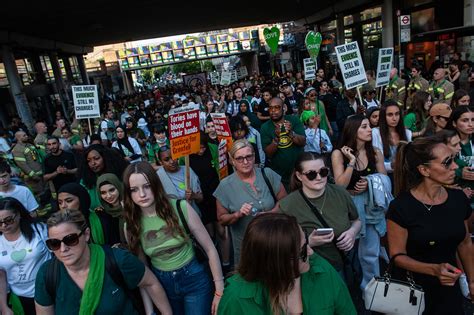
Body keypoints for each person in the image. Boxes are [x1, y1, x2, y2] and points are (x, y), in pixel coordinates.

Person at [123, 162, 224, 315]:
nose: (142, 194)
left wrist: (219, 290)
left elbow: (210, 248)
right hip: (162, 286)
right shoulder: (131, 225)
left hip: (194, 279)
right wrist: (150, 311)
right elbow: (144, 273)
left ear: (156, 185)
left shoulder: (180, 207)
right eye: (134, 190)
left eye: (147, 186)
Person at [387, 136, 473, 314]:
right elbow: (397, 256)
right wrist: (434, 269)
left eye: (453, 160)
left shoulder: (458, 199)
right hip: (411, 291)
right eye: (447, 162)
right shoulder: (401, 207)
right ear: (424, 170)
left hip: (449, 286)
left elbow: (465, 243)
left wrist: (472, 280)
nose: (455, 167)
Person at [34, 209, 172, 315]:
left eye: (70, 239)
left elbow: (150, 283)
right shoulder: (47, 274)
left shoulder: (117, 260)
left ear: (86, 234)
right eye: (54, 243)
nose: (63, 249)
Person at [217, 213, 357, 314]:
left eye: (306, 243)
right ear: (274, 263)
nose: (310, 252)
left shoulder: (321, 270)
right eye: (301, 251)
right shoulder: (236, 300)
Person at [279, 152, 361, 275]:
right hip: (310, 269)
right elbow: (281, 245)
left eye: (323, 172)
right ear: (299, 176)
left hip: (343, 265)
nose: (319, 177)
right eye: (311, 174)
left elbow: (356, 220)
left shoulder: (340, 193)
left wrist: (352, 232)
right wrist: (309, 242)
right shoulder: (288, 205)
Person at [331, 114, 387, 290]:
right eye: (364, 126)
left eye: (369, 126)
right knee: (347, 251)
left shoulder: (375, 152)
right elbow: (340, 185)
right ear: (353, 130)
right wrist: (352, 162)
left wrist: (369, 184)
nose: (369, 129)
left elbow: (385, 181)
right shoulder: (339, 153)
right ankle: (347, 287)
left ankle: (371, 290)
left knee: (370, 253)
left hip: (370, 209)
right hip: (347, 209)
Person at [214, 139, 287, 266]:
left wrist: (269, 214)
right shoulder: (225, 186)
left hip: (275, 242)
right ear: (232, 160)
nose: (246, 162)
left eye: (249, 156)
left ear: (254, 156)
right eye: (240, 158)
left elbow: (285, 201)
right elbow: (222, 219)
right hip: (247, 249)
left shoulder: (267, 174)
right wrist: (237, 214)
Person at [0, 197, 51, 315]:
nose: (4, 226)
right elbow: (1, 275)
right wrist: (4, 307)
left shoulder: (39, 230)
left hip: (49, 290)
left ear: (19, 215)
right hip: (20, 297)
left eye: (8, 220)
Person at [260, 97, 306, 189]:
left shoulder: (294, 120)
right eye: (270, 108)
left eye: (277, 107)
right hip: (279, 175)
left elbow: (303, 142)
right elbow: (268, 153)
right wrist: (277, 138)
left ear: (283, 108)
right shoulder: (265, 127)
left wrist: (290, 133)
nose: (273, 111)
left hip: (299, 171)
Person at [78, 144, 128, 211]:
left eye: (96, 158)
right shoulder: (85, 180)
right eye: (88, 161)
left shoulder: (120, 175)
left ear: (105, 158)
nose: (93, 163)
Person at [156, 146, 203, 213]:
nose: (172, 161)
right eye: (166, 160)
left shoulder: (187, 170)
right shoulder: (158, 176)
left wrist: (193, 195)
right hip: (174, 217)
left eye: (174, 157)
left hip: (193, 213)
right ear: (160, 162)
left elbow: (200, 198)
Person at [372, 100, 412, 174]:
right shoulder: (375, 132)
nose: (394, 118)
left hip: (404, 175)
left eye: (397, 114)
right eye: (390, 115)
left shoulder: (407, 133)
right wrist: (392, 165)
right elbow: (375, 162)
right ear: (383, 116)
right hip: (385, 175)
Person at [447, 106, 474, 192]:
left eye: (473, 120)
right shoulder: (446, 142)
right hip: (455, 193)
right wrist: (458, 172)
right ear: (454, 123)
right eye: (465, 120)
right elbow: (435, 167)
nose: (470, 124)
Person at [11, 131, 44, 197]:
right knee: (40, 194)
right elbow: (23, 165)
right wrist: (33, 175)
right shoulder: (17, 150)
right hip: (33, 177)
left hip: (41, 173)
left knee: (46, 192)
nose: (27, 136)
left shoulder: (29, 145)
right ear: (18, 138)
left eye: (26, 135)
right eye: (24, 135)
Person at [97, 173, 126, 245]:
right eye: (103, 193)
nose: (108, 196)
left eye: (112, 190)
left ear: (119, 187)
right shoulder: (101, 213)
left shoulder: (131, 207)